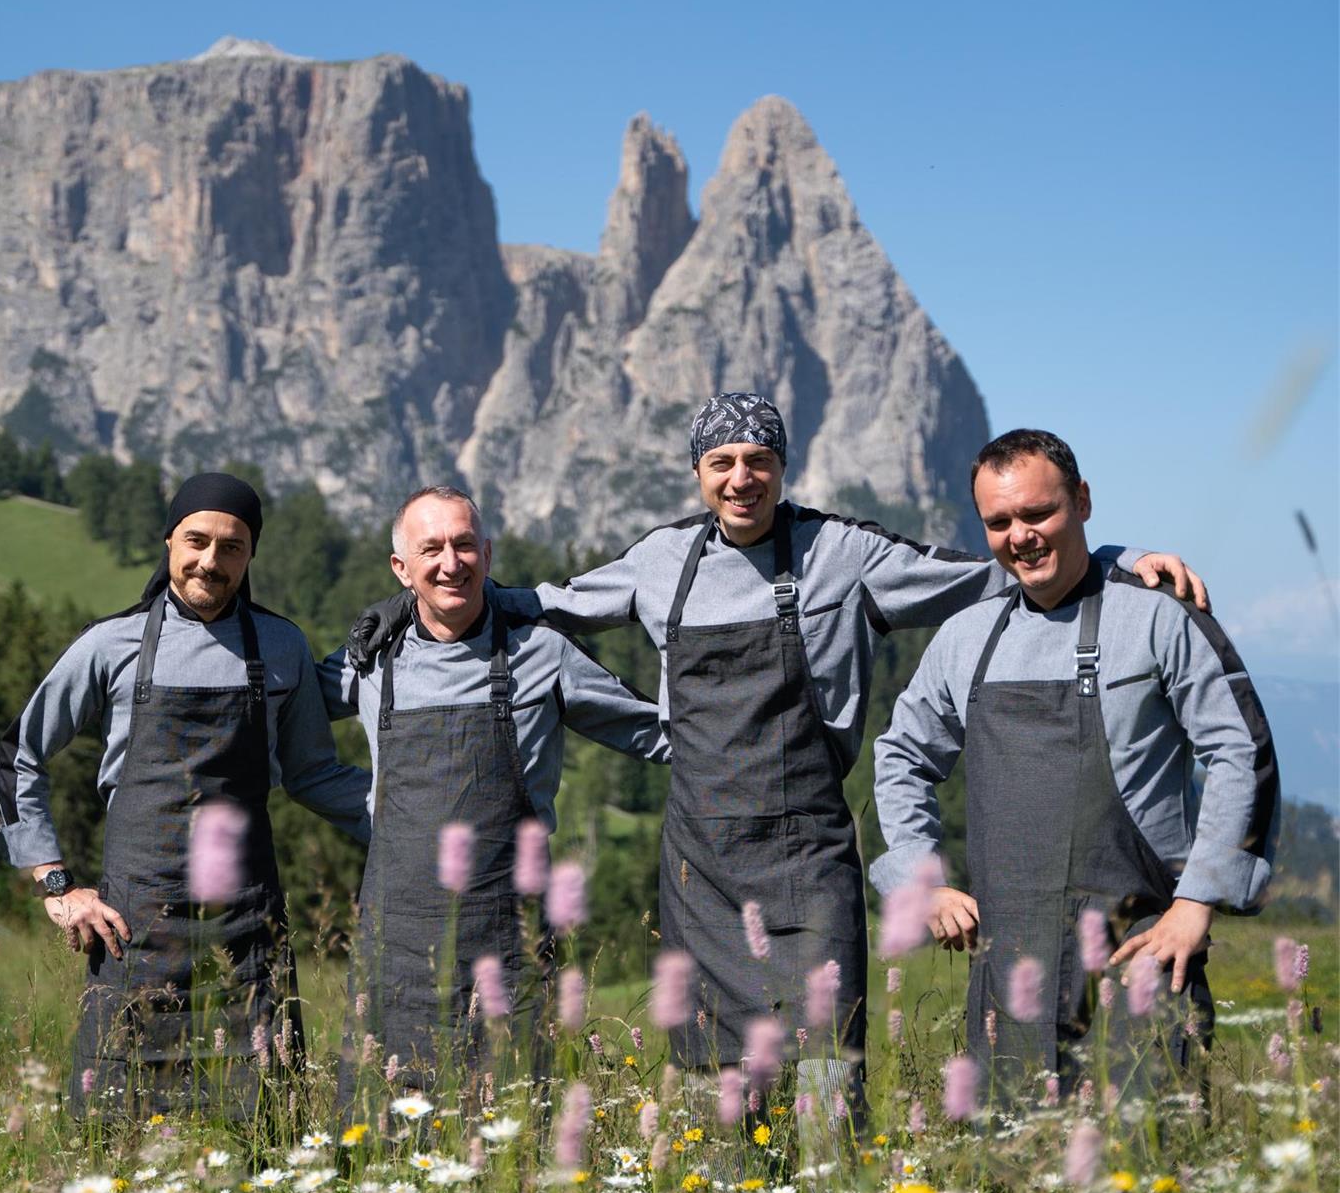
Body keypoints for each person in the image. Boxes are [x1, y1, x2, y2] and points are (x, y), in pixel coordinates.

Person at [348, 394, 1208, 1116]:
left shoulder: (844, 553)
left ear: (782, 467)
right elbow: (541, 602)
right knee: (709, 1089)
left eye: (757, 458)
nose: (740, 476)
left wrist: (1113, 560)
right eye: (720, 460)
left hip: (809, 855)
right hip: (700, 867)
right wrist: (403, 606)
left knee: (828, 1063)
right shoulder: (659, 563)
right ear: (698, 475)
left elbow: (991, 567)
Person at [870, 429, 1277, 1100]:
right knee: (1015, 1183)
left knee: (1146, 1176)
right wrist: (921, 879)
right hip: (1009, 972)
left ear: (1082, 501)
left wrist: (1200, 898)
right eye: (999, 521)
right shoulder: (966, 638)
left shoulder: (1157, 617)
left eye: (1039, 513)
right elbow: (901, 753)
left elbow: (1241, 751)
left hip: (1141, 957)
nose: (1021, 535)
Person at [0, 472, 371, 1117]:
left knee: (266, 1128)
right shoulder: (109, 644)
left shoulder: (283, 647)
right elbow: (18, 755)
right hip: (134, 927)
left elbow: (314, 774)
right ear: (168, 540)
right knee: (110, 1131)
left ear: (251, 556)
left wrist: (421, 822)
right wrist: (59, 886)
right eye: (196, 540)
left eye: (233, 546)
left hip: (248, 931)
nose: (211, 561)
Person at [321, 486, 668, 1105]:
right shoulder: (370, 661)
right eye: (430, 549)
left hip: (509, 941)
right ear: (401, 569)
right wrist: (371, 804)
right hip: (395, 947)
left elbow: (657, 733)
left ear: (487, 552)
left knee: (516, 1140)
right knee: (381, 1138)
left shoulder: (543, 653)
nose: (450, 562)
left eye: (463, 545)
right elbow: (274, 707)